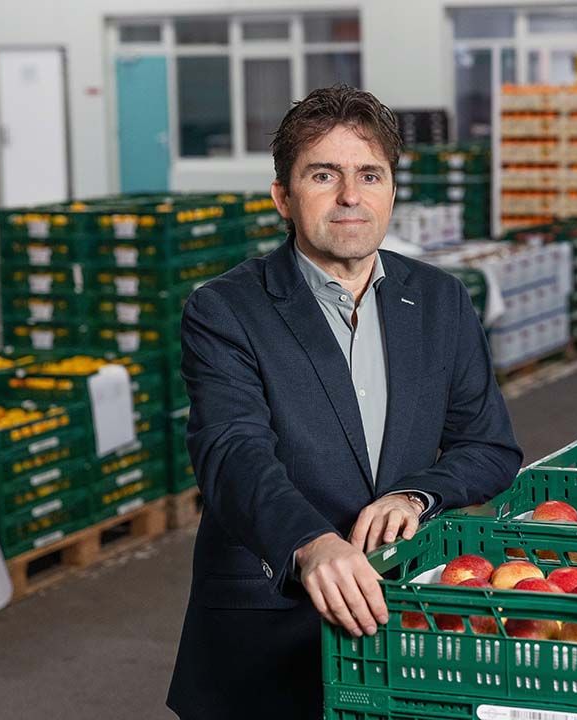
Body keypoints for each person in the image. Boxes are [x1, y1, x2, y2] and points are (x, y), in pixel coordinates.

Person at [166, 85, 523, 719]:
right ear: (283, 196)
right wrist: (309, 542)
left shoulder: (441, 301)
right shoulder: (225, 309)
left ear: (391, 190)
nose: (350, 196)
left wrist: (416, 494)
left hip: (402, 628)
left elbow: (488, 445)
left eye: (369, 175)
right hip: (265, 635)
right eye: (323, 175)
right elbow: (231, 450)